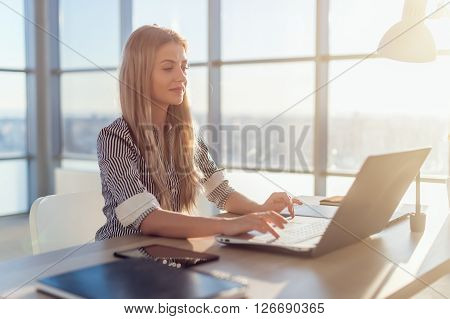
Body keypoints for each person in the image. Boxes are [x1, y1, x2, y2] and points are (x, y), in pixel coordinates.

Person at [95, 25, 301, 241]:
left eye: (184, 67)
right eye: (168, 68)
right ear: (140, 75)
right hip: (122, 256)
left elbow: (219, 191)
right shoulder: (114, 138)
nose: (182, 78)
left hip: (170, 250)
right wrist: (227, 225)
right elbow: (147, 219)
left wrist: (259, 209)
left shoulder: (185, 134)